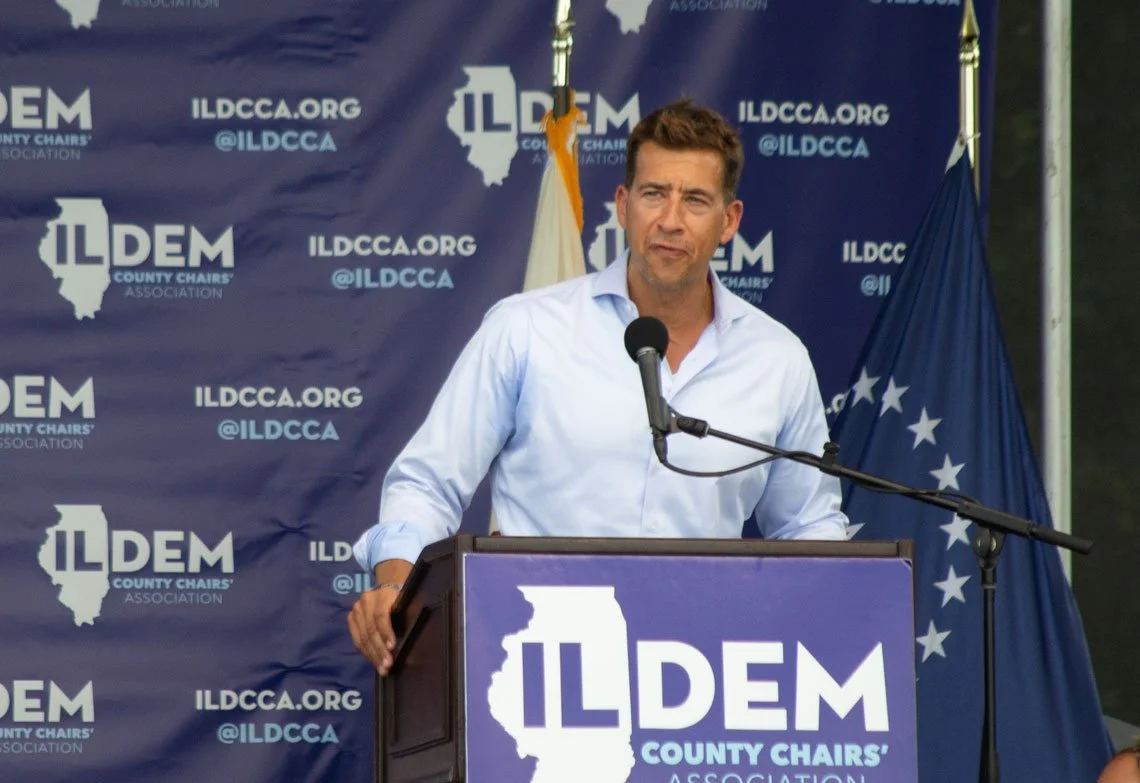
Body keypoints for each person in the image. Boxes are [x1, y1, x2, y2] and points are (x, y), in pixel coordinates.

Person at [348, 98, 848, 673]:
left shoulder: (777, 359)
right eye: (654, 194)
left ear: (729, 221)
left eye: (695, 200)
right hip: (537, 662)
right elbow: (427, 482)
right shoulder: (527, 330)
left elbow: (808, 527)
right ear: (623, 205)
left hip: (707, 671)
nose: (670, 220)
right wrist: (396, 585)